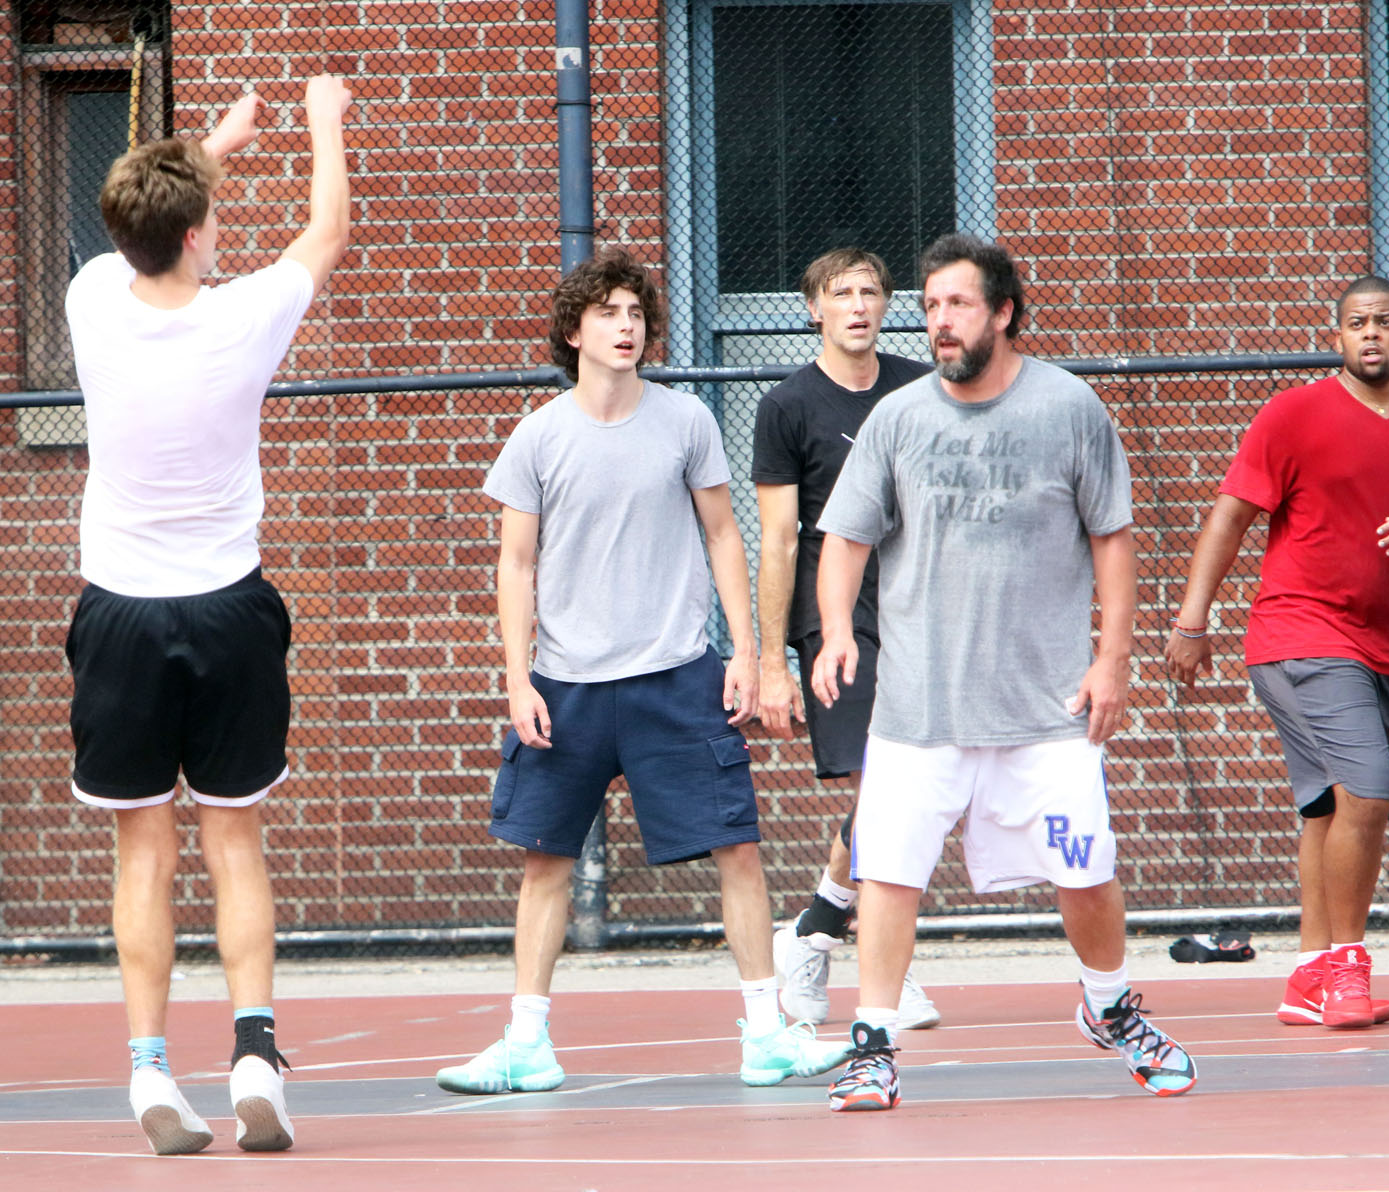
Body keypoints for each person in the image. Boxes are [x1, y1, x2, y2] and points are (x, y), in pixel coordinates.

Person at [436, 248, 853, 1097]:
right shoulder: (538, 436)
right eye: (608, 314)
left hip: (676, 676)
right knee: (545, 862)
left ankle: (766, 1036)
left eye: (635, 313)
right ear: (574, 331)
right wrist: (517, 681)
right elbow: (516, 566)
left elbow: (724, 536)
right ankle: (526, 1045)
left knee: (738, 848)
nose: (625, 327)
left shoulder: (686, 421)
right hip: (567, 687)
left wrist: (746, 652)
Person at [812, 233, 1198, 1111]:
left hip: (1046, 709)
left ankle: (1109, 1008)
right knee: (888, 874)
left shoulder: (1069, 409)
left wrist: (1112, 661)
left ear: (1004, 313)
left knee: (1085, 870)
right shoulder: (899, 418)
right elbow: (846, 538)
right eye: (931, 306)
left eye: (957, 304)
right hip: (919, 710)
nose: (939, 322)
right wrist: (836, 631)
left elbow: (1112, 538)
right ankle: (873, 1044)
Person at [64, 77, 353, 1154]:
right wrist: (322, 122)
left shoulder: (92, 298)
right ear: (194, 234)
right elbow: (327, 232)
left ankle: (149, 1068)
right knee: (235, 838)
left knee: (143, 847)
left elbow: (142, 212)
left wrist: (213, 147)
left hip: (119, 616)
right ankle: (252, 1053)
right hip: (229, 610)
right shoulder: (243, 315)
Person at [1165, 276, 1389, 1030]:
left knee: (1332, 807)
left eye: (1385, 321)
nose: (1371, 333)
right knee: (1367, 793)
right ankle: (1347, 971)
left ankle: (1308, 979)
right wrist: (1192, 621)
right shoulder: (1294, 414)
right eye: (1357, 323)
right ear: (1337, 337)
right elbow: (1230, 518)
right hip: (1302, 632)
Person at [752, 247, 939, 1030]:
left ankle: (816, 930)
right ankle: (874, 959)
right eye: (841, 293)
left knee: (910, 788)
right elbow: (778, 539)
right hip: (837, 616)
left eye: (870, 292)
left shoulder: (921, 388)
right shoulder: (788, 405)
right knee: (885, 786)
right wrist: (771, 662)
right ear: (814, 309)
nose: (858, 305)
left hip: (917, 609)